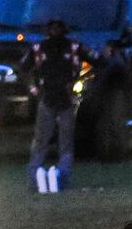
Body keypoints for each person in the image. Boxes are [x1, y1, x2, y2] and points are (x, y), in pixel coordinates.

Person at [22, 18, 93, 193]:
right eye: (52, 28)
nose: (55, 32)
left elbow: (98, 62)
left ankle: (62, 178)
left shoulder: (74, 48)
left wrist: (81, 86)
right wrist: (34, 89)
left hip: (67, 101)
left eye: (58, 28)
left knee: (65, 142)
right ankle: (34, 179)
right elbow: (23, 68)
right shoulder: (38, 49)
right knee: (41, 141)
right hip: (47, 99)